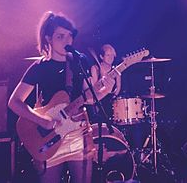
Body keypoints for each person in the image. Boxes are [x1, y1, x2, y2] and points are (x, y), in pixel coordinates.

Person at [8, 11, 115, 183]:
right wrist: (42, 121)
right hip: (49, 138)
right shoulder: (40, 67)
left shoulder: (80, 61)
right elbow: (14, 102)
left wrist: (104, 91)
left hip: (78, 136)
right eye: (60, 36)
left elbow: (88, 97)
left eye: (69, 36)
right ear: (48, 38)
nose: (67, 41)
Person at [84, 44, 121, 123]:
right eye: (108, 55)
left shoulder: (116, 70)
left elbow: (118, 88)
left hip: (110, 102)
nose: (111, 57)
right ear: (101, 57)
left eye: (112, 55)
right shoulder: (95, 68)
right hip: (97, 102)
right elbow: (93, 88)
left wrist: (113, 96)